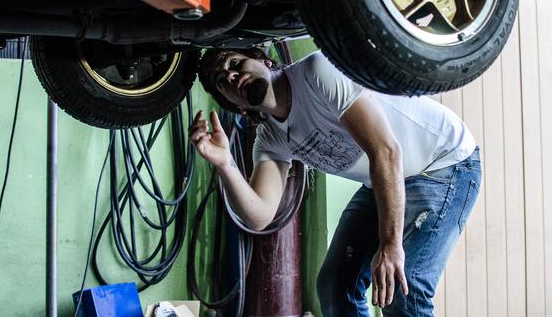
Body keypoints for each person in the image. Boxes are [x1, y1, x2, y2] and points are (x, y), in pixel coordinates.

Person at [188, 48, 481, 317]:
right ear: (235, 106)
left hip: (444, 162)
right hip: (383, 177)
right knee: (334, 285)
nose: (232, 75)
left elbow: (386, 151)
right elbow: (260, 215)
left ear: (264, 59)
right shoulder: (271, 140)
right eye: (223, 82)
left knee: (403, 286)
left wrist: (391, 246)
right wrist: (225, 164)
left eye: (235, 63)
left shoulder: (317, 71)